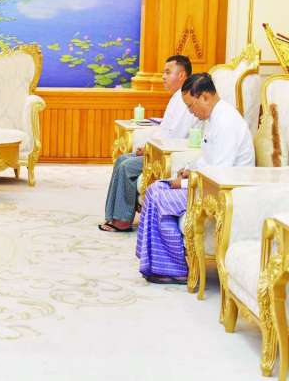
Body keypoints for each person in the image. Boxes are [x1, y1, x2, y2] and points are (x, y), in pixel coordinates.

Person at [136, 73, 255, 284]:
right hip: (208, 183)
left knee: (160, 197)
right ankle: (159, 265)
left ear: (205, 97)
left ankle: (176, 269)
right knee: (155, 189)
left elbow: (220, 172)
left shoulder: (226, 121)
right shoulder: (213, 118)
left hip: (224, 192)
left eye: (191, 106)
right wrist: (188, 170)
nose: (190, 112)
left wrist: (183, 183)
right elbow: (207, 158)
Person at [99, 55, 199, 233]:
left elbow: (176, 134)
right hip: (157, 149)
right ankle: (113, 215)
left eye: (167, 72)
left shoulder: (186, 99)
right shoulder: (176, 97)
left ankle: (122, 221)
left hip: (168, 154)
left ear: (182, 75)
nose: (163, 77)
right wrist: (147, 146)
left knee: (127, 167)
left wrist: (149, 150)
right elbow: (164, 130)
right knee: (122, 159)